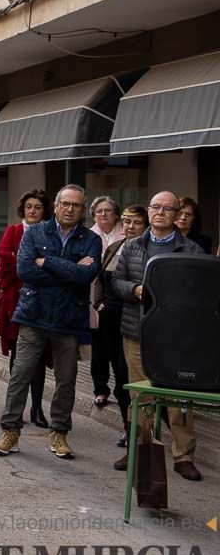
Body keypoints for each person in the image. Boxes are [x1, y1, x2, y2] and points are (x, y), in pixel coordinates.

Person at [0, 184, 100, 461]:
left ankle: (59, 434)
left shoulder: (91, 239)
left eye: (75, 205)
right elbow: (24, 270)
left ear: (82, 209)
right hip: (33, 315)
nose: (69, 209)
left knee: (66, 381)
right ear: (56, 205)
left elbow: (84, 278)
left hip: (69, 320)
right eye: (65, 203)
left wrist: (46, 261)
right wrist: (70, 269)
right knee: (20, 375)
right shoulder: (36, 231)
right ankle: (10, 432)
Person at [111, 191, 205, 481]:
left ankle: (183, 456)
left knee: (179, 399)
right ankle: (139, 449)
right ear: (149, 211)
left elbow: (201, 293)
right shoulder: (131, 246)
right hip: (137, 333)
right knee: (140, 394)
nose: (159, 212)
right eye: (155, 207)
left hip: (177, 338)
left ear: (177, 215)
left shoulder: (191, 250)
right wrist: (133, 290)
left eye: (167, 209)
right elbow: (115, 281)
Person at [0, 190, 52, 428]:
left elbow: (53, 265)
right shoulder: (14, 231)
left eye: (37, 207)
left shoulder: (50, 233)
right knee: (18, 358)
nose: (32, 211)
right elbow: (4, 262)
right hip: (15, 302)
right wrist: (31, 265)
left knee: (38, 357)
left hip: (42, 303)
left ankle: (37, 407)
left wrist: (27, 263)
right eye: (29, 206)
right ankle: (14, 409)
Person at [96, 205, 146, 449]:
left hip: (134, 319)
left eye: (136, 222)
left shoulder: (145, 250)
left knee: (128, 375)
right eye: (126, 222)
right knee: (117, 371)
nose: (130, 226)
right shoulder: (115, 247)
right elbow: (102, 278)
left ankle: (138, 428)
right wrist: (99, 303)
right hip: (110, 318)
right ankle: (129, 428)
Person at [88, 195, 123, 407]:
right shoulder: (89, 235)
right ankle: (100, 389)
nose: (103, 214)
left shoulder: (125, 233)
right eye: (99, 211)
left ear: (116, 214)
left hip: (118, 301)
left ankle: (122, 391)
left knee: (119, 352)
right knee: (98, 348)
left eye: (108, 210)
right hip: (95, 299)